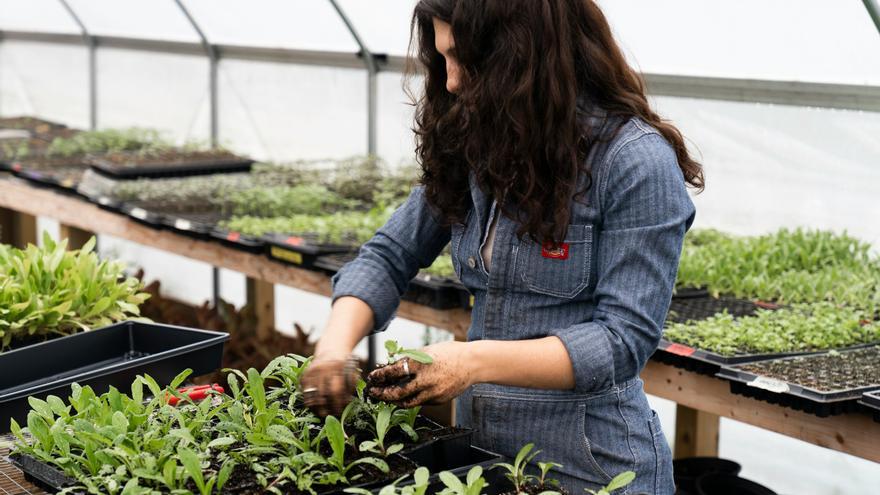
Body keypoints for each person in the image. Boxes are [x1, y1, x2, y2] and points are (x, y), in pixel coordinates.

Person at [300, 1, 703, 493]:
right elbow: (390, 254)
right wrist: (332, 350)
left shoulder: (634, 162)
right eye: (441, 58)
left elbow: (621, 341)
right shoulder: (483, 141)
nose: (449, 81)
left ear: (521, 53)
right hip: (483, 460)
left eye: (462, 58)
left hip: (593, 469)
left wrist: (471, 362)